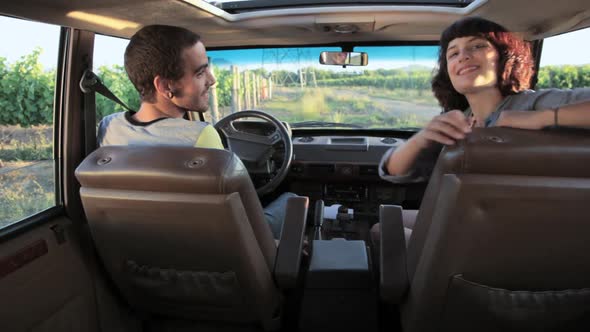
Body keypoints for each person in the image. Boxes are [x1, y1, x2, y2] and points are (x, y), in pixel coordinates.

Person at [371, 17, 590, 247]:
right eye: (453, 53)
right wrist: (422, 138)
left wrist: (541, 118)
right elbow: (394, 171)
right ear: (448, 71)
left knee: (383, 232)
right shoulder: (460, 119)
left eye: (478, 46)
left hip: (512, 232)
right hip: (471, 220)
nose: (464, 56)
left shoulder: (533, 103)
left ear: (504, 57)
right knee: (387, 221)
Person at [97, 25, 295, 239]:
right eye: (200, 72)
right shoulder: (200, 136)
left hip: (142, 253)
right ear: (165, 86)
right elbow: (243, 215)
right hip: (215, 251)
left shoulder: (109, 127)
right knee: (291, 200)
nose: (212, 80)